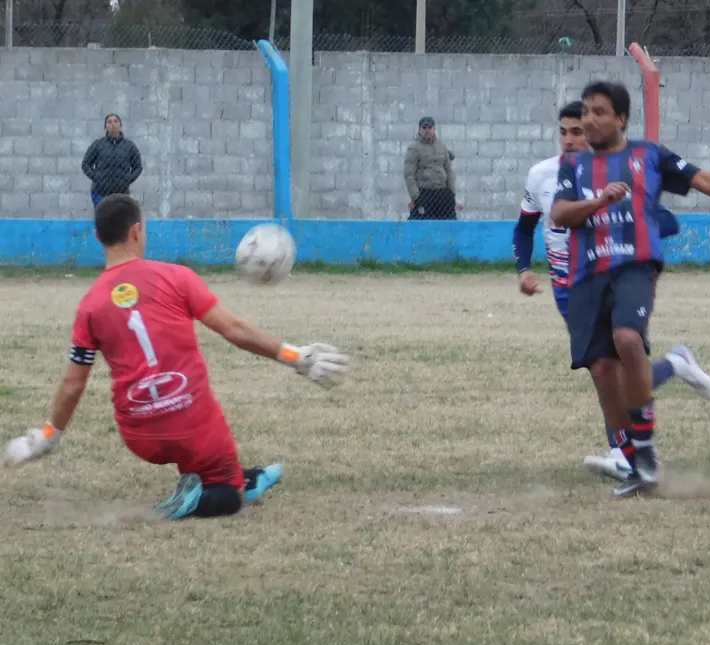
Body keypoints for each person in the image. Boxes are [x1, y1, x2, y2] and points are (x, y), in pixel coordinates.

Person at [1, 195, 351, 520]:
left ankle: (226, 474)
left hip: (139, 435)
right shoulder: (176, 277)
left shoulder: (89, 306)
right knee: (227, 496)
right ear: (137, 230)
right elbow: (234, 329)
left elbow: (74, 382)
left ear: (98, 236)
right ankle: (202, 491)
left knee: (211, 462)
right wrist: (297, 357)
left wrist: (48, 435)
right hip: (191, 420)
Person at [550, 80, 710, 498]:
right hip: (585, 278)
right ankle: (636, 465)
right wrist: (598, 203)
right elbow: (559, 214)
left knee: (628, 339)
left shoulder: (649, 156)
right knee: (602, 373)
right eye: (586, 112)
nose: (589, 120)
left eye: (598, 112)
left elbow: (706, 181)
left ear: (621, 119)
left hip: (634, 266)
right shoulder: (572, 167)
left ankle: (645, 453)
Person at [513, 100, 710, 483]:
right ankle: (674, 367)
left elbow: (662, 219)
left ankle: (625, 452)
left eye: (578, 132)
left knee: (618, 367)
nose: (571, 140)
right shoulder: (541, 175)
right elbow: (524, 228)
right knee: (602, 370)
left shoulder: (614, 172)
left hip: (611, 277)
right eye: (565, 132)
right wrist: (524, 270)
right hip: (568, 288)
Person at [404, 116, 462, 220]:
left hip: (442, 194)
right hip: (424, 194)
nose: (427, 130)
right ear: (419, 129)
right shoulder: (413, 148)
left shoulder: (441, 146)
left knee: (450, 227)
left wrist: (452, 194)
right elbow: (409, 175)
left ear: (434, 129)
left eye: (429, 127)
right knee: (418, 227)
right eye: (424, 127)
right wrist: (416, 197)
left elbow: (449, 172)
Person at [81, 114, 143, 207]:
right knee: (103, 220)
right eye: (109, 122)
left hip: (122, 194)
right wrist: (96, 177)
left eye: (116, 121)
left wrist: (128, 179)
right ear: (105, 127)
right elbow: (85, 164)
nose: (113, 124)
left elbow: (138, 167)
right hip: (100, 193)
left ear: (120, 125)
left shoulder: (129, 146)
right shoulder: (98, 144)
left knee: (119, 220)